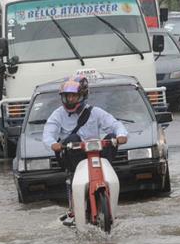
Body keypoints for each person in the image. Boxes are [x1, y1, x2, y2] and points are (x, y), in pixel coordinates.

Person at [42, 75, 128, 225]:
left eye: (74, 96)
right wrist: (53, 144)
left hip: (95, 155)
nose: (70, 100)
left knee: (111, 137)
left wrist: (121, 135)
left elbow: (115, 124)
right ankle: (75, 208)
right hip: (72, 156)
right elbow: (48, 134)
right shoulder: (57, 115)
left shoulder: (96, 112)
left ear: (83, 96)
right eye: (67, 96)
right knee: (74, 137)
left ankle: (110, 205)